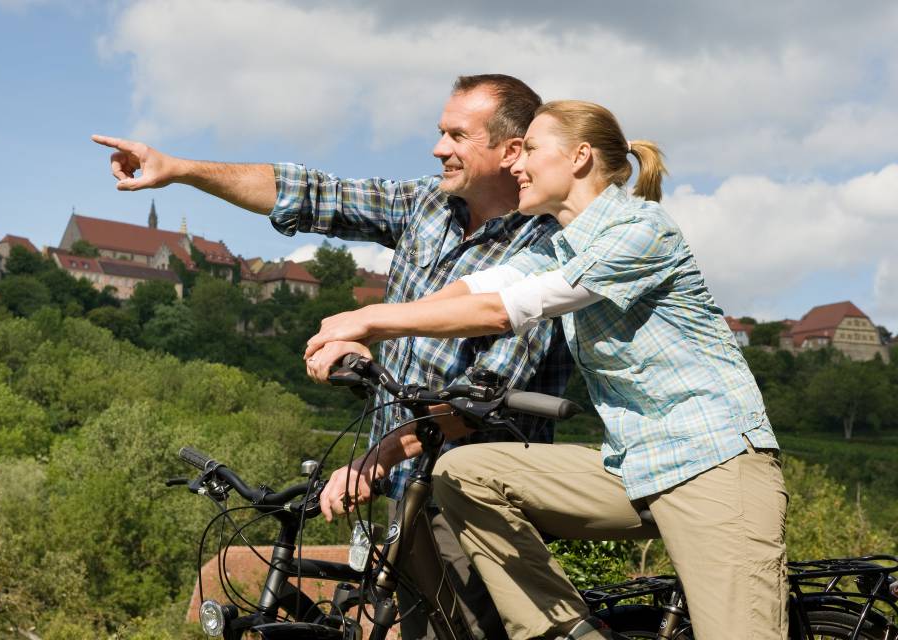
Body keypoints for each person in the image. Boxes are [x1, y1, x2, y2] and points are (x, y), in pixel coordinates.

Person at [93, 74, 573, 640]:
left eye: (456, 136)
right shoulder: (428, 206)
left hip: (474, 504)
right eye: (439, 132)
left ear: (510, 151)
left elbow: (479, 402)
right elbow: (314, 192)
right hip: (403, 494)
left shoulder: (547, 246)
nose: (438, 148)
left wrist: (376, 459)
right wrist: (179, 169)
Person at [305, 101, 788, 640]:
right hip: (636, 466)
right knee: (466, 475)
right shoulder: (559, 247)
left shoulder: (641, 230)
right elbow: (480, 288)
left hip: (713, 466)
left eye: (531, 149)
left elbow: (507, 310)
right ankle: (565, 634)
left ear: (579, 157)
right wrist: (356, 327)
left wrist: (371, 320)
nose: (517, 164)